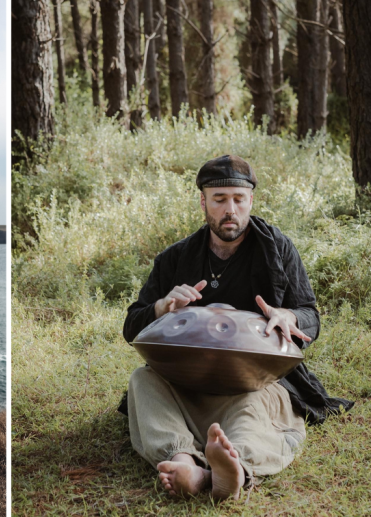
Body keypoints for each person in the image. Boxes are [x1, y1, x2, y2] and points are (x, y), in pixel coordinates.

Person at [120, 155, 353, 500]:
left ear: (250, 201)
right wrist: (161, 306)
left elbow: (310, 315)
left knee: (253, 410)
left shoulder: (277, 249)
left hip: (252, 382)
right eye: (220, 199)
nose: (231, 209)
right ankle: (183, 461)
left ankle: (231, 470)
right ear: (203, 202)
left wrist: (288, 317)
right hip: (186, 382)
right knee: (142, 380)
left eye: (238, 199)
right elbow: (132, 326)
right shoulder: (175, 257)